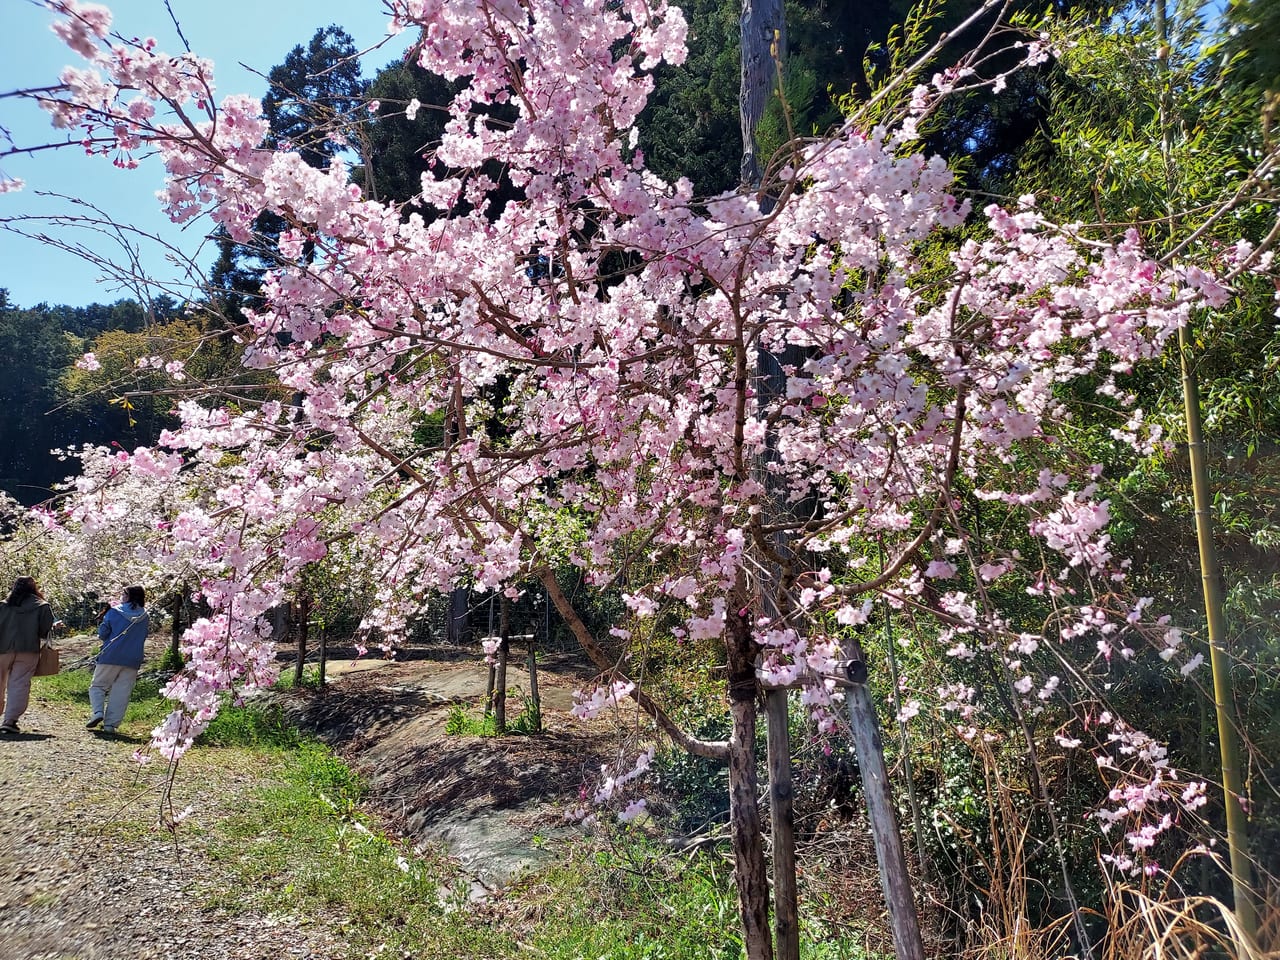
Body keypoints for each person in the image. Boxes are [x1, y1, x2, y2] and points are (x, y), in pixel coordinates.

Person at [87, 585, 149, 736]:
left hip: (111, 655)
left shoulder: (115, 612)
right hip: (133, 658)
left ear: (127, 596)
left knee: (98, 686)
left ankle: (98, 712)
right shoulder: (145, 616)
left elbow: (103, 633)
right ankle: (110, 725)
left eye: (123, 594)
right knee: (121, 692)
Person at [0, 576, 56, 735]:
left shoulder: (3, 605)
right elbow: (45, 629)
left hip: (2, 648)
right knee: (19, 684)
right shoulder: (42, 606)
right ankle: (10, 721)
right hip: (28, 649)